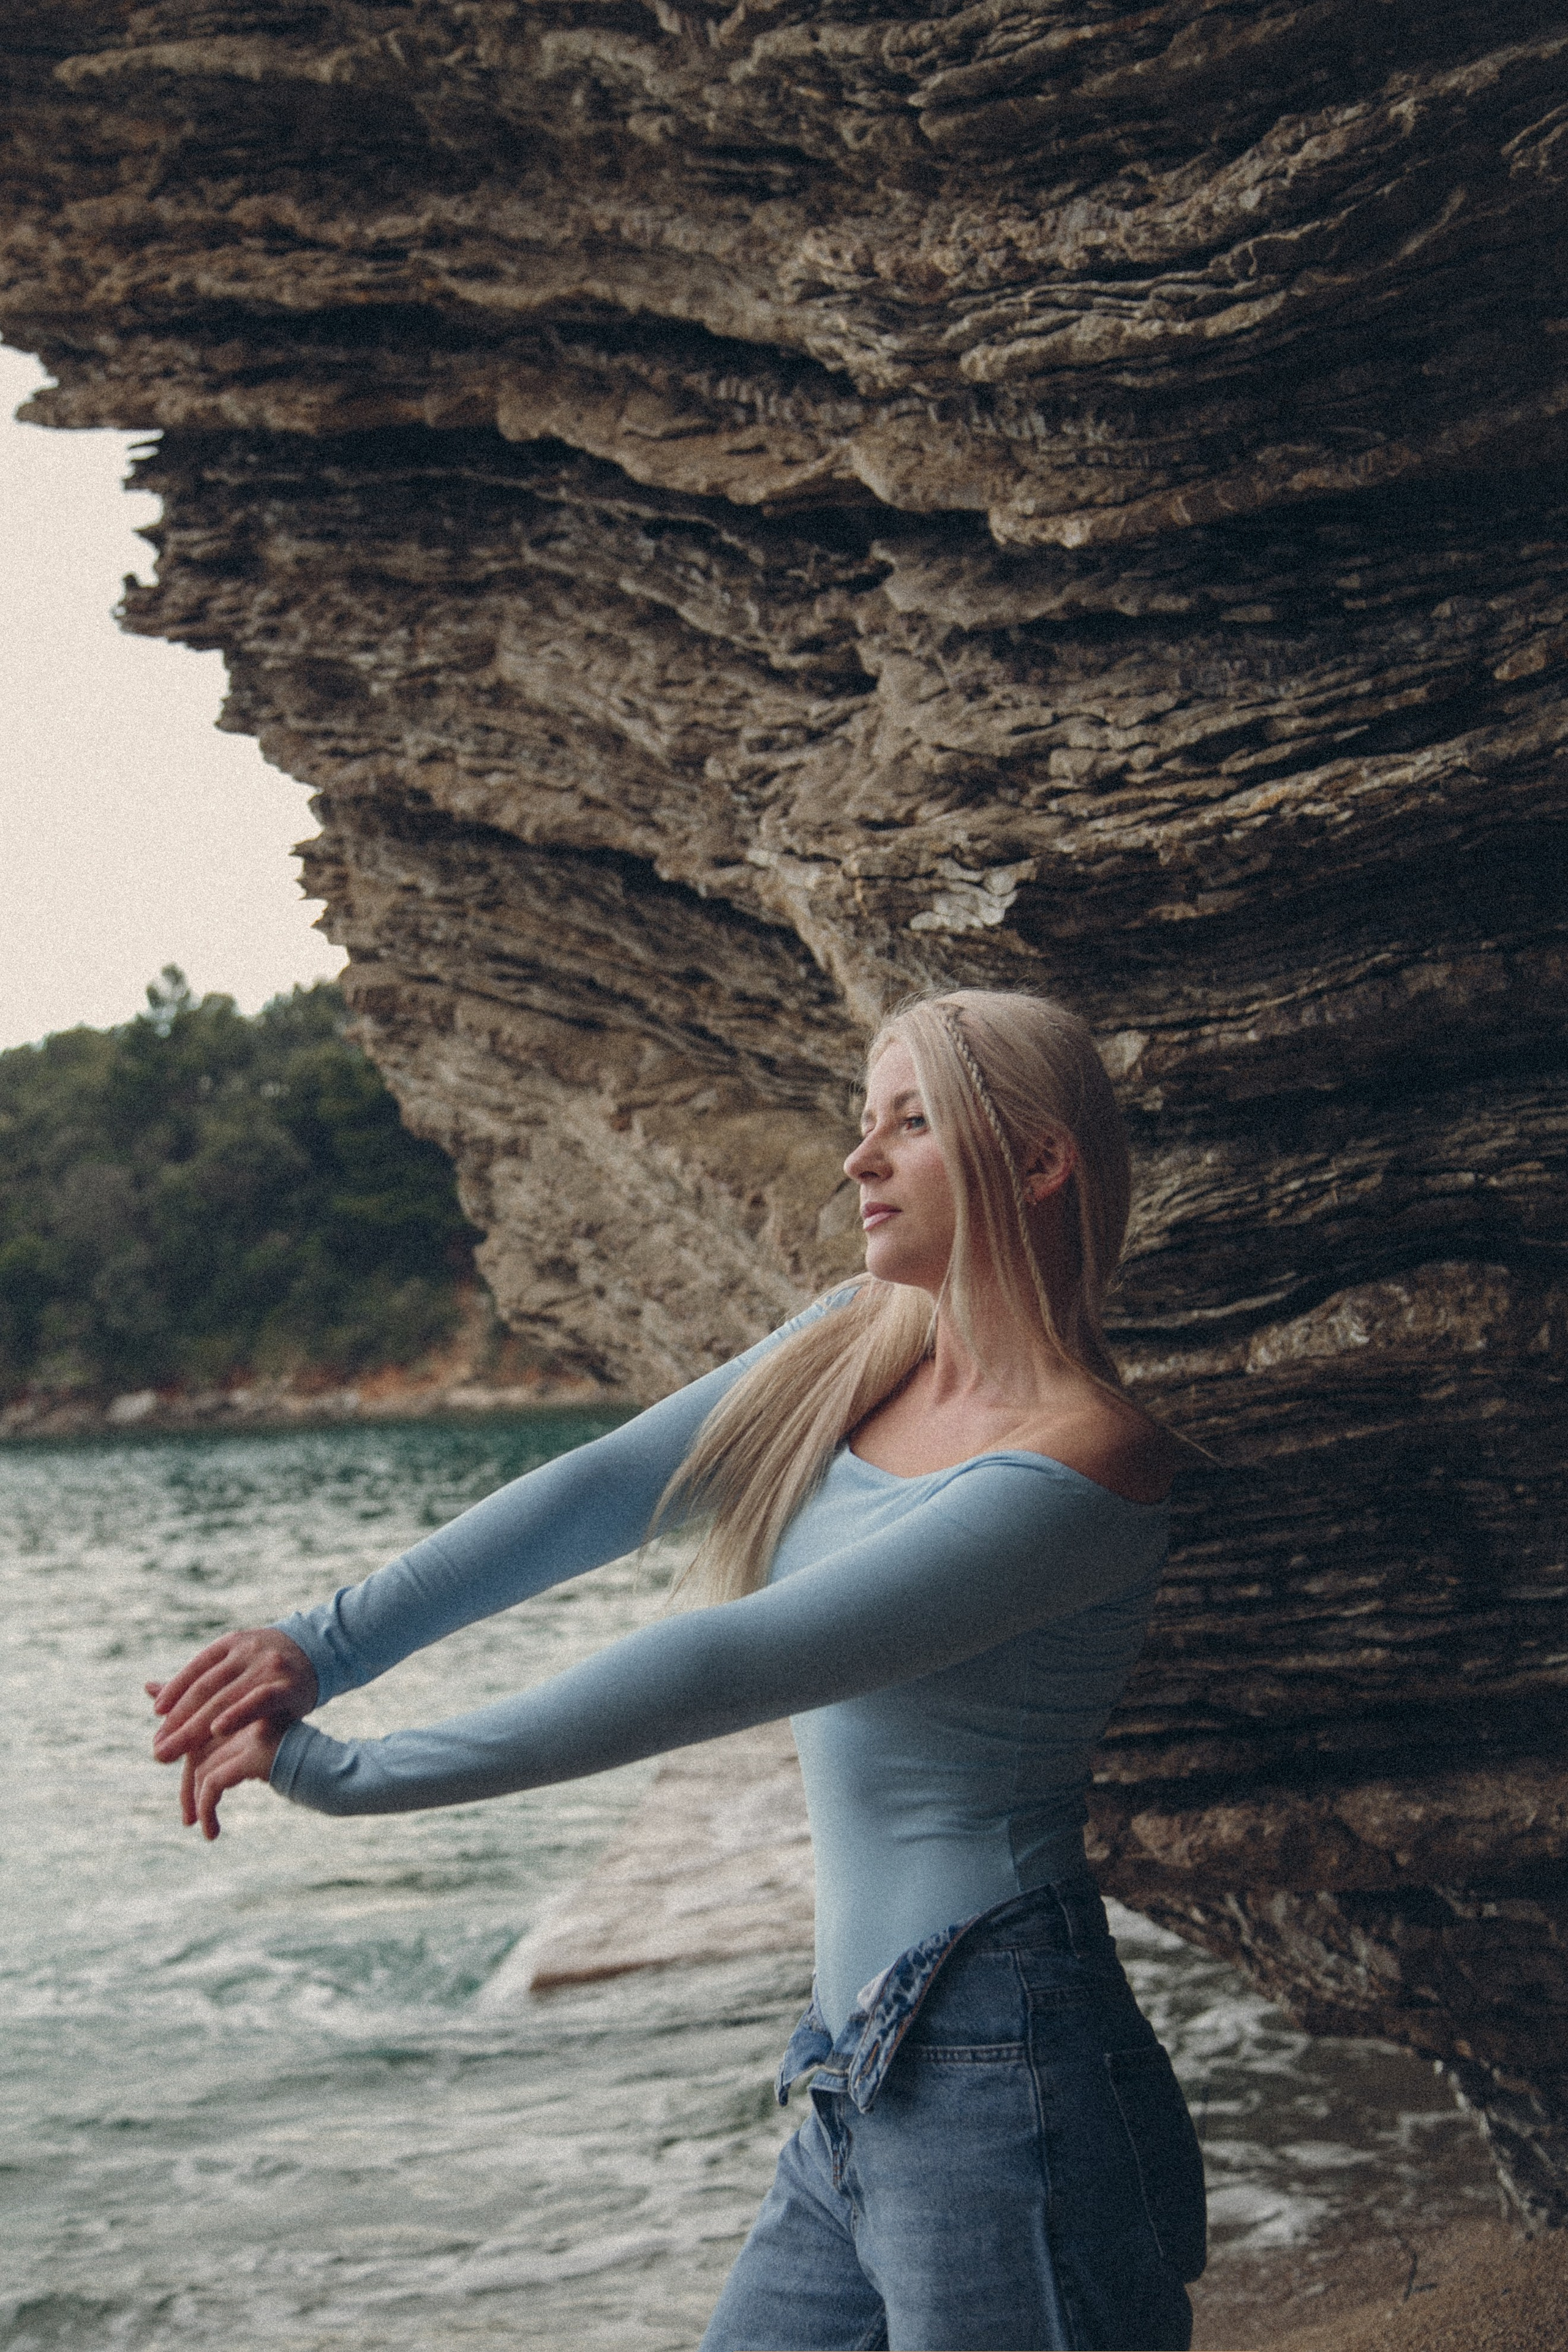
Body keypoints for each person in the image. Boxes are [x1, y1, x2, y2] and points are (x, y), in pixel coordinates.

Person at [147, 987, 1206, 2352]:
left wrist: (350, 1775)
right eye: (857, 1123)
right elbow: (607, 1489)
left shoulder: (1082, 1462)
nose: (857, 1159)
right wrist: (319, 1642)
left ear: (1038, 1160)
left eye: (909, 1123)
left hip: (1004, 2066)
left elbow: (723, 1663)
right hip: (852, 2071)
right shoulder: (854, 1339)